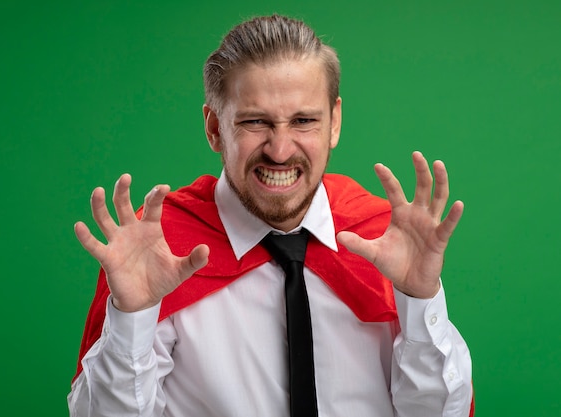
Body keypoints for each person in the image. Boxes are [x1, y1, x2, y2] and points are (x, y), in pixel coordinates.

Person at [68, 14, 473, 417]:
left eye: (304, 121)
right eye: (255, 122)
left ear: (334, 122)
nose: (280, 150)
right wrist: (132, 319)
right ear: (214, 128)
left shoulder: (382, 239)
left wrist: (421, 304)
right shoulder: (162, 249)